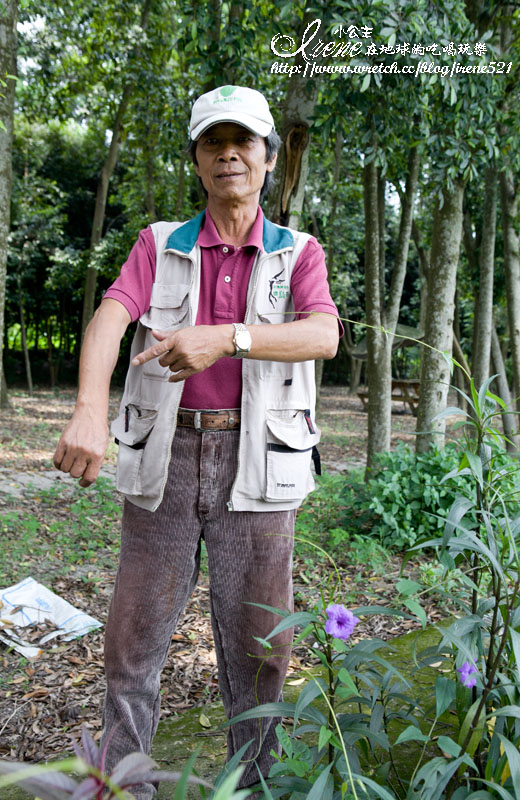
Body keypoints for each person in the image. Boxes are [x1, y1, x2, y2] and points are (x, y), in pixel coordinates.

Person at [54, 85, 340, 798]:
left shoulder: (297, 252)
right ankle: (124, 788)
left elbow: (323, 334)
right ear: (196, 160)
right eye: (213, 143)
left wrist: (230, 339)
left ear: (269, 158)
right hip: (166, 465)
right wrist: (89, 409)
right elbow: (110, 319)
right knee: (132, 647)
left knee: (262, 653)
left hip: (261, 471)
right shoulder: (160, 243)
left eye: (243, 142)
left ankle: (257, 786)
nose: (229, 155)